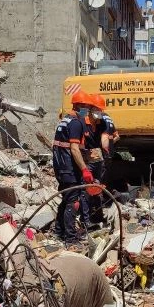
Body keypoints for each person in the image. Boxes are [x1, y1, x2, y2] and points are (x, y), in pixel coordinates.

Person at [53, 91, 95, 244]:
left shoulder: (66, 120)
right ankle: (70, 239)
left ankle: (59, 232)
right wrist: (84, 169)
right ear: (80, 106)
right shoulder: (76, 123)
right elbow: (74, 149)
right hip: (69, 167)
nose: (88, 111)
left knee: (66, 200)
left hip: (61, 167)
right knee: (73, 202)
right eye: (87, 107)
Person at [79, 94, 118, 228]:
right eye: (97, 109)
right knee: (86, 190)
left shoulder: (103, 122)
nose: (99, 112)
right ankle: (86, 220)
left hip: (99, 159)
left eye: (100, 110)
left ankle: (97, 216)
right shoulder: (82, 122)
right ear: (90, 109)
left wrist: (105, 151)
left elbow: (106, 138)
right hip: (86, 160)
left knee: (98, 189)